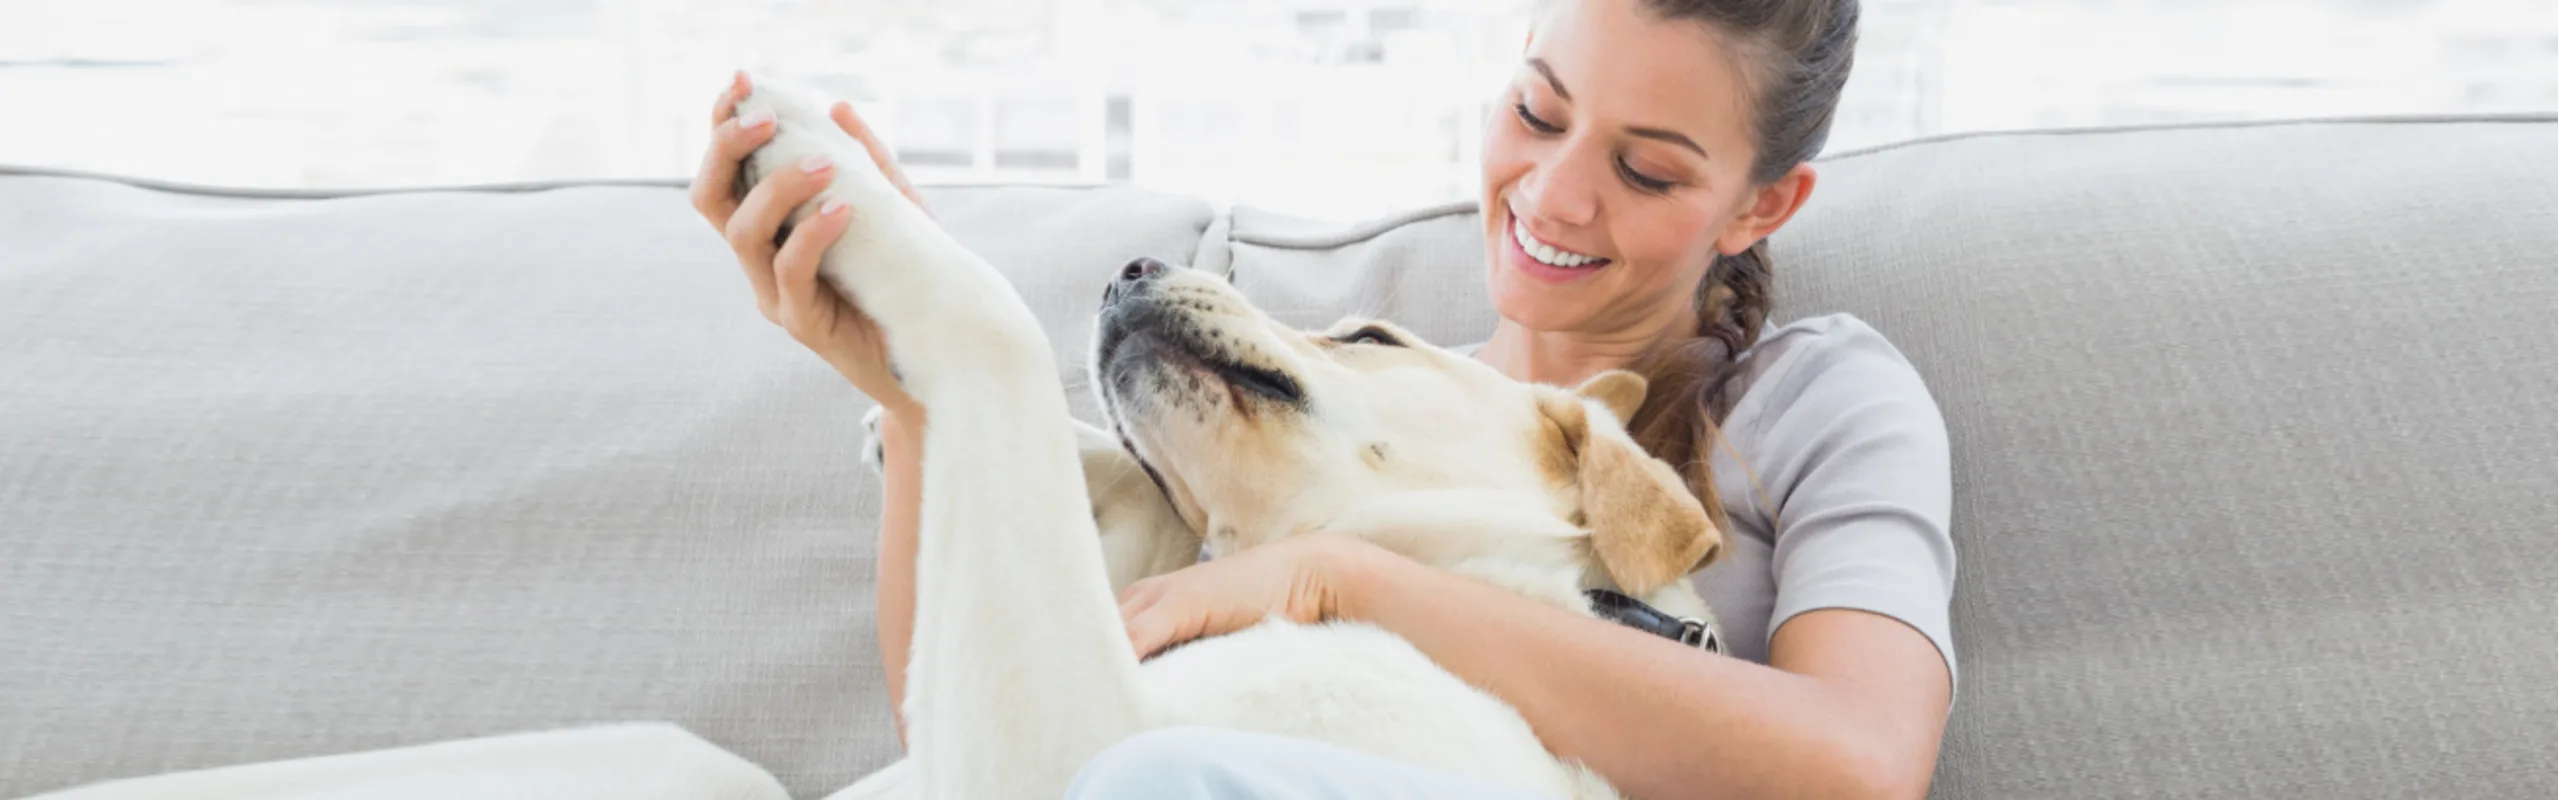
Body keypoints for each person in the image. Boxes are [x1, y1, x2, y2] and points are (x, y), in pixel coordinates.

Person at [686, 0, 1955, 795]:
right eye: (1537, 110)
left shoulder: (1815, 396)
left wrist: (1348, 576)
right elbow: (979, 734)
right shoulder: (1331, 426)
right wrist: (923, 409)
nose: (1557, 195)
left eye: (1643, 168)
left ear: (1759, 204)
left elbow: (1852, 766)